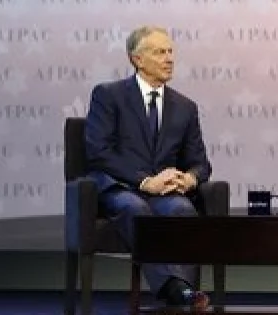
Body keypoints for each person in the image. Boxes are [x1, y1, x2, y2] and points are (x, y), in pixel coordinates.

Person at [85, 25, 211, 310]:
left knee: (182, 210)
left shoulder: (185, 107)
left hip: (165, 192)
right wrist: (144, 181)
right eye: (159, 52)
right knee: (135, 209)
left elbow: (200, 162)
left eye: (170, 51)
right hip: (122, 186)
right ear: (136, 59)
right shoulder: (108, 95)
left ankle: (179, 296)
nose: (169, 58)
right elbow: (98, 152)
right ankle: (179, 291)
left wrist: (189, 179)